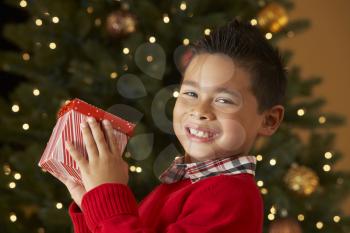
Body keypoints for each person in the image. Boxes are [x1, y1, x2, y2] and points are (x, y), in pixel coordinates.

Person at [61, 18, 287, 233]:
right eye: (190, 93)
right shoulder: (178, 185)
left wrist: (108, 194)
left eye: (224, 100)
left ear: (269, 120)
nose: (199, 111)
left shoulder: (232, 196)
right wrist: (92, 202)